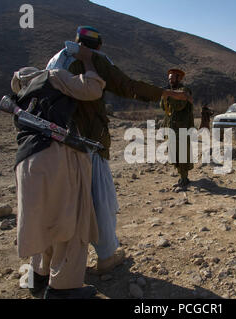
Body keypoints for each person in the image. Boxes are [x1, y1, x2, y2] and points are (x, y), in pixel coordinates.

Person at [47, 26, 192, 274]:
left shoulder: (56, 59)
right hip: (89, 141)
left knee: (64, 202)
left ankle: (57, 265)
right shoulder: (94, 60)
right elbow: (128, 86)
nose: (172, 80)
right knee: (100, 200)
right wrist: (165, 94)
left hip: (57, 141)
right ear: (99, 47)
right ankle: (105, 256)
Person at [11, 45, 106, 299]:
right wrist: (87, 62)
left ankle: (38, 277)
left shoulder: (23, 92)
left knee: (44, 222)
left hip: (26, 162)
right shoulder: (54, 76)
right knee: (71, 225)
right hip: (55, 158)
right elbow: (92, 89)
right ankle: (63, 289)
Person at [160, 68, 195, 189]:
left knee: (182, 154)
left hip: (182, 128)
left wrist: (168, 95)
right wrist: (165, 96)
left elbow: (179, 106)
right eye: (169, 78)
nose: (170, 81)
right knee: (174, 154)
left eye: (172, 78)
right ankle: (181, 177)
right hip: (172, 128)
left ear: (179, 78)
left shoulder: (184, 91)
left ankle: (184, 179)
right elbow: (163, 107)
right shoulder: (171, 91)